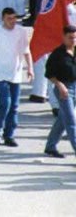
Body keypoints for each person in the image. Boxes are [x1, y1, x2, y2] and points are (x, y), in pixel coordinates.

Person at [0, 6, 31, 147]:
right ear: (3, 19)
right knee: (4, 102)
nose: (12, 21)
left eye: (14, 18)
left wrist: (30, 68)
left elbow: (26, 51)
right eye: (9, 18)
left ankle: (9, 134)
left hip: (15, 73)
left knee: (14, 105)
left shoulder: (21, 32)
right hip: (0, 73)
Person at [44, 25, 76, 159]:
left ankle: (50, 146)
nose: (73, 40)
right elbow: (49, 73)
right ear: (63, 37)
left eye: (75, 38)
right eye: (70, 38)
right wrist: (59, 85)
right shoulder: (57, 54)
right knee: (71, 121)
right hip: (63, 88)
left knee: (62, 119)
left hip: (75, 86)